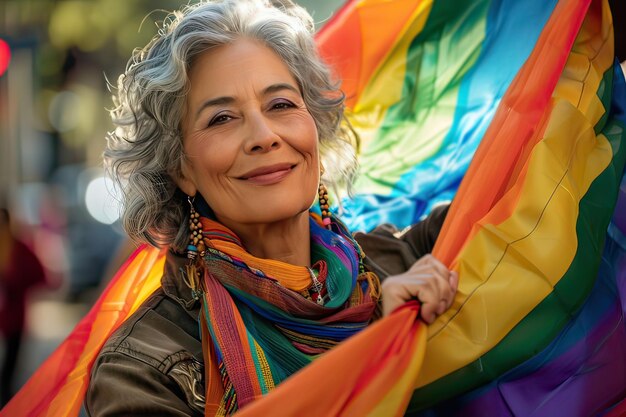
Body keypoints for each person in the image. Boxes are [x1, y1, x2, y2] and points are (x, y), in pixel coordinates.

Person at [85, 0, 457, 415]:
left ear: (314, 125)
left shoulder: (405, 260)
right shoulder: (141, 370)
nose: (263, 135)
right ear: (180, 169)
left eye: (281, 105)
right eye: (222, 118)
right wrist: (378, 346)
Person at [0, 207, 47, 406]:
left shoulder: (18, 249)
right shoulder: (16, 248)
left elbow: (40, 276)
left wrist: (16, 283)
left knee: (8, 374)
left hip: (13, 322)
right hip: (11, 321)